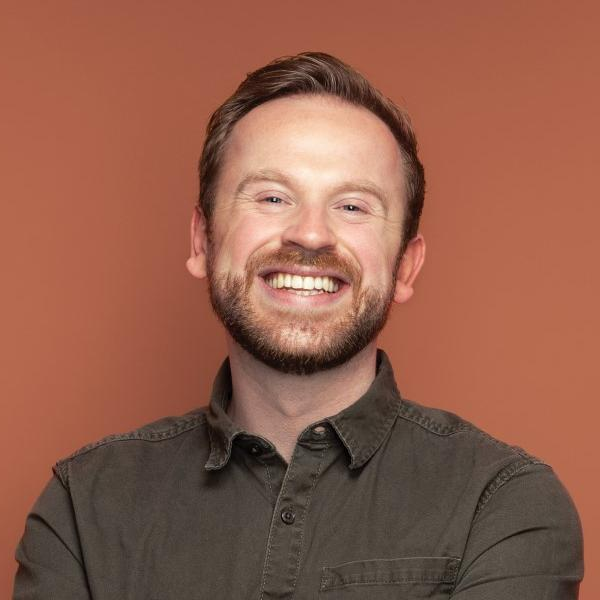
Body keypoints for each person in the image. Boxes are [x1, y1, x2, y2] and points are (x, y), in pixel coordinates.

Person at [14, 52, 583, 599]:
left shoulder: (503, 503)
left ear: (405, 267)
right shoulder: (83, 506)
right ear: (203, 241)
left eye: (353, 206)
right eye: (272, 197)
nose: (310, 234)